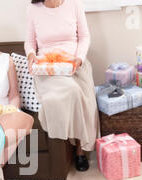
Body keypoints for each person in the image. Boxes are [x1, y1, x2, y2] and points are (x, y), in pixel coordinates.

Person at [25, 0, 100, 171]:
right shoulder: (32, 9)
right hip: (48, 68)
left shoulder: (74, 4)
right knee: (72, 90)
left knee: (84, 97)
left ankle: (80, 150)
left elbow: (84, 37)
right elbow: (29, 42)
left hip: (75, 63)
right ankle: (73, 145)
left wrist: (79, 58)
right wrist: (30, 55)